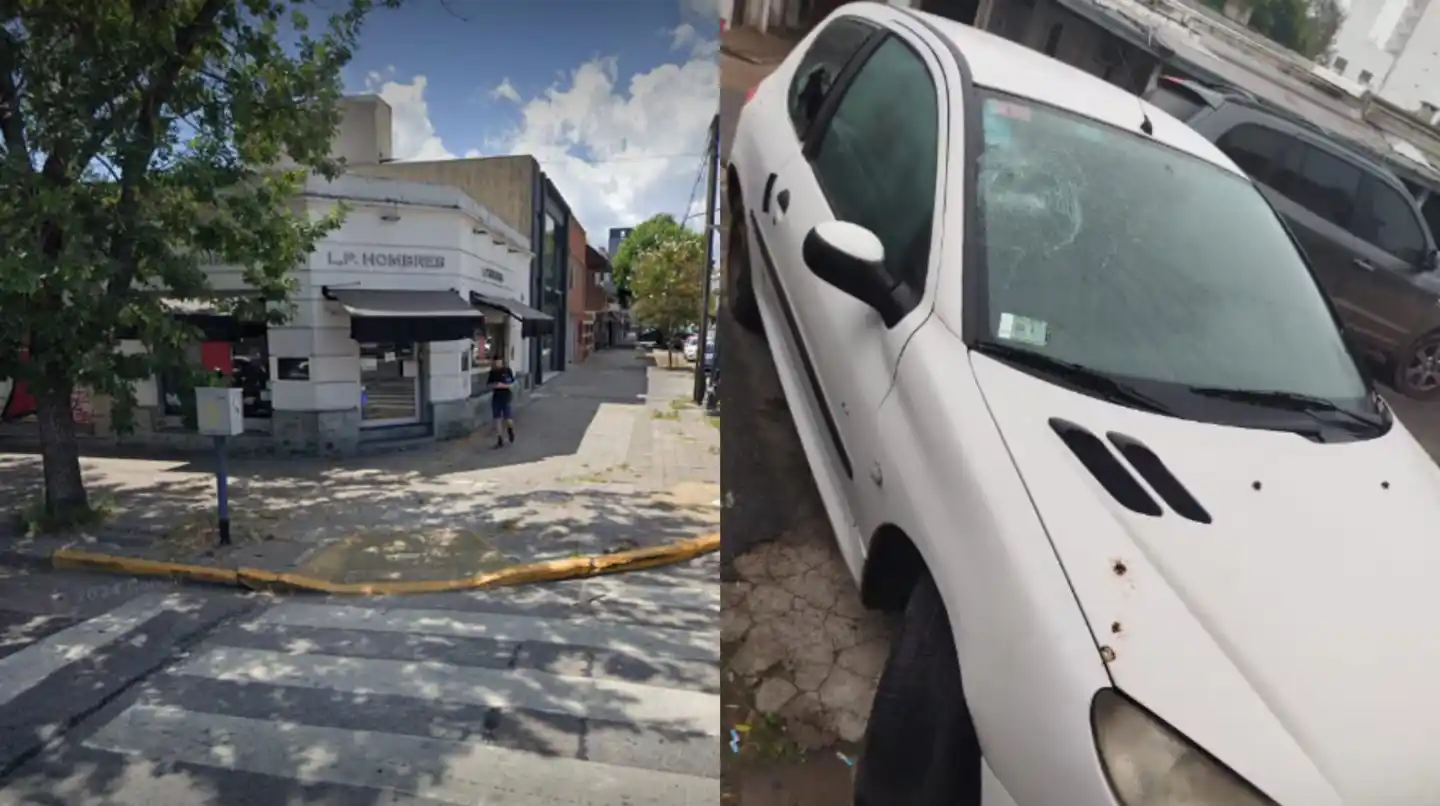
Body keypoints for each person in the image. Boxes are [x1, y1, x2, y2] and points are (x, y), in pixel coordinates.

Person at [486, 356, 516, 448]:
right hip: (496, 396)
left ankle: (510, 429)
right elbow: (489, 385)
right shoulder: (492, 372)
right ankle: (500, 439)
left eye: (498, 362)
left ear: (502, 362)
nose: (497, 364)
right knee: (497, 418)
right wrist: (494, 385)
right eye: (495, 363)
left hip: (506, 396)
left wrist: (501, 385)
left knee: (507, 417)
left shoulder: (507, 371)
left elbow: (511, 384)